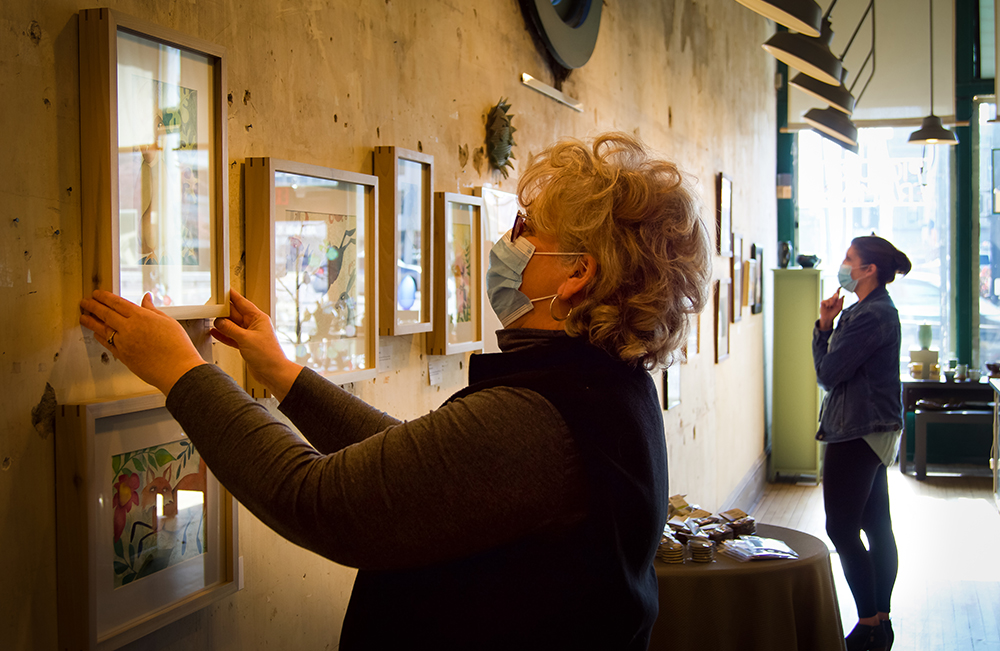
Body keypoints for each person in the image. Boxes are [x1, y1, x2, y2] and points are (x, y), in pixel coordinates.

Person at [80, 132, 711, 649]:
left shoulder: (545, 420)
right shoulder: (605, 391)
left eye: (528, 229)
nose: (509, 244)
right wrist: (285, 377)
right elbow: (422, 468)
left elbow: (320, 500)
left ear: (577, 273)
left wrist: (183, 374)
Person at [813, 235, 912, 651]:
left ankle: (870, 622)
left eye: (849, 259)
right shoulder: (870, 310)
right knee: (874, 525)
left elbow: (829, 373)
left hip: (857, 429)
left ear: (868, 269)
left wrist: (822, 331)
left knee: (841, 527)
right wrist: (829, 323)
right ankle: (880, 622)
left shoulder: (872, 316)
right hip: (872, 427)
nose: (842, 265)